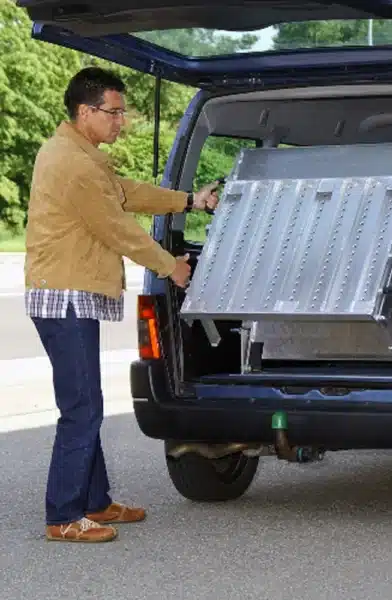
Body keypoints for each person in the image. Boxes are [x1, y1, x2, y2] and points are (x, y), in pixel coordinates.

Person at [24, 66, 220, 543]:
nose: (121, 122)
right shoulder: (72, 163)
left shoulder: (84, 155)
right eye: (113, 113)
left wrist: (189, 201)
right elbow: (115, 225)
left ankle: (94, 502)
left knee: (85, 402)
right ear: (86, 111)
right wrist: (167, 265)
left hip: (71, 292)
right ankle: (64, 515)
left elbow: (129, 193)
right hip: (64, 295)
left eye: (122, 113)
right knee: (82, 407)